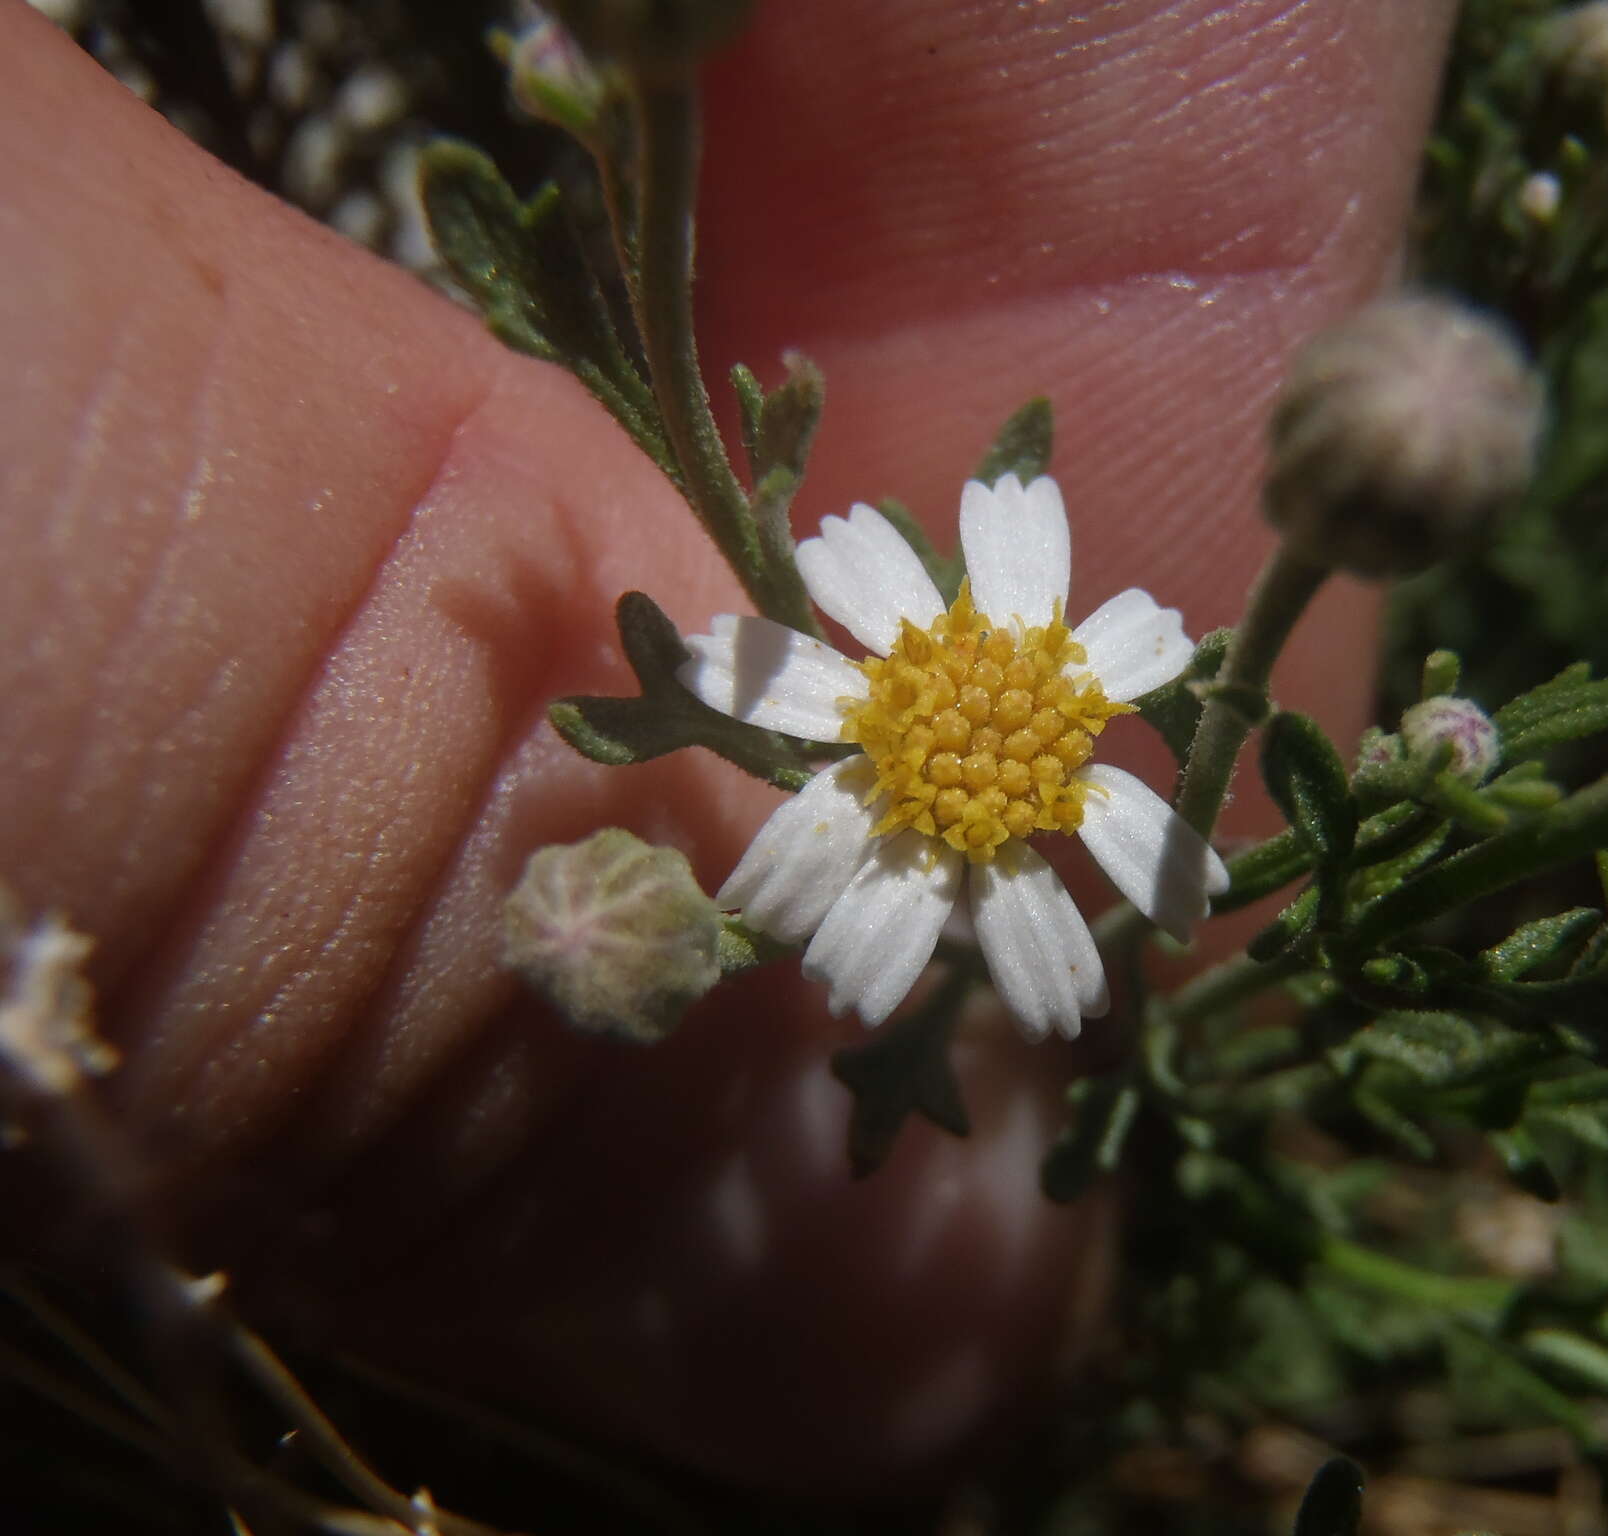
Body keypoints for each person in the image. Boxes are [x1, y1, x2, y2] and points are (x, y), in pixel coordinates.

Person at [0, 0, 1448, 1495]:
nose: (986, 719)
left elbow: (1089, 789)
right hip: (881, 828)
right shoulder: (876, 791)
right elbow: (822, 837)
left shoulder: (1062, 762)